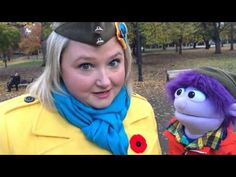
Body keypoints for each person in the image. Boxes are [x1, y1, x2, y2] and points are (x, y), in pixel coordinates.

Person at [0, 22, 162, 155]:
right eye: (86, 66)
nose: (104, 82)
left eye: (114, 62)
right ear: (58, 69)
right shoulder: (8, 126)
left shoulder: (142, 110)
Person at [164, 66, 236, 155]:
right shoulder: (175, 129)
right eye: (179, 92)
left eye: (192, 95)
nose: (179, 101)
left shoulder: (229, 148)